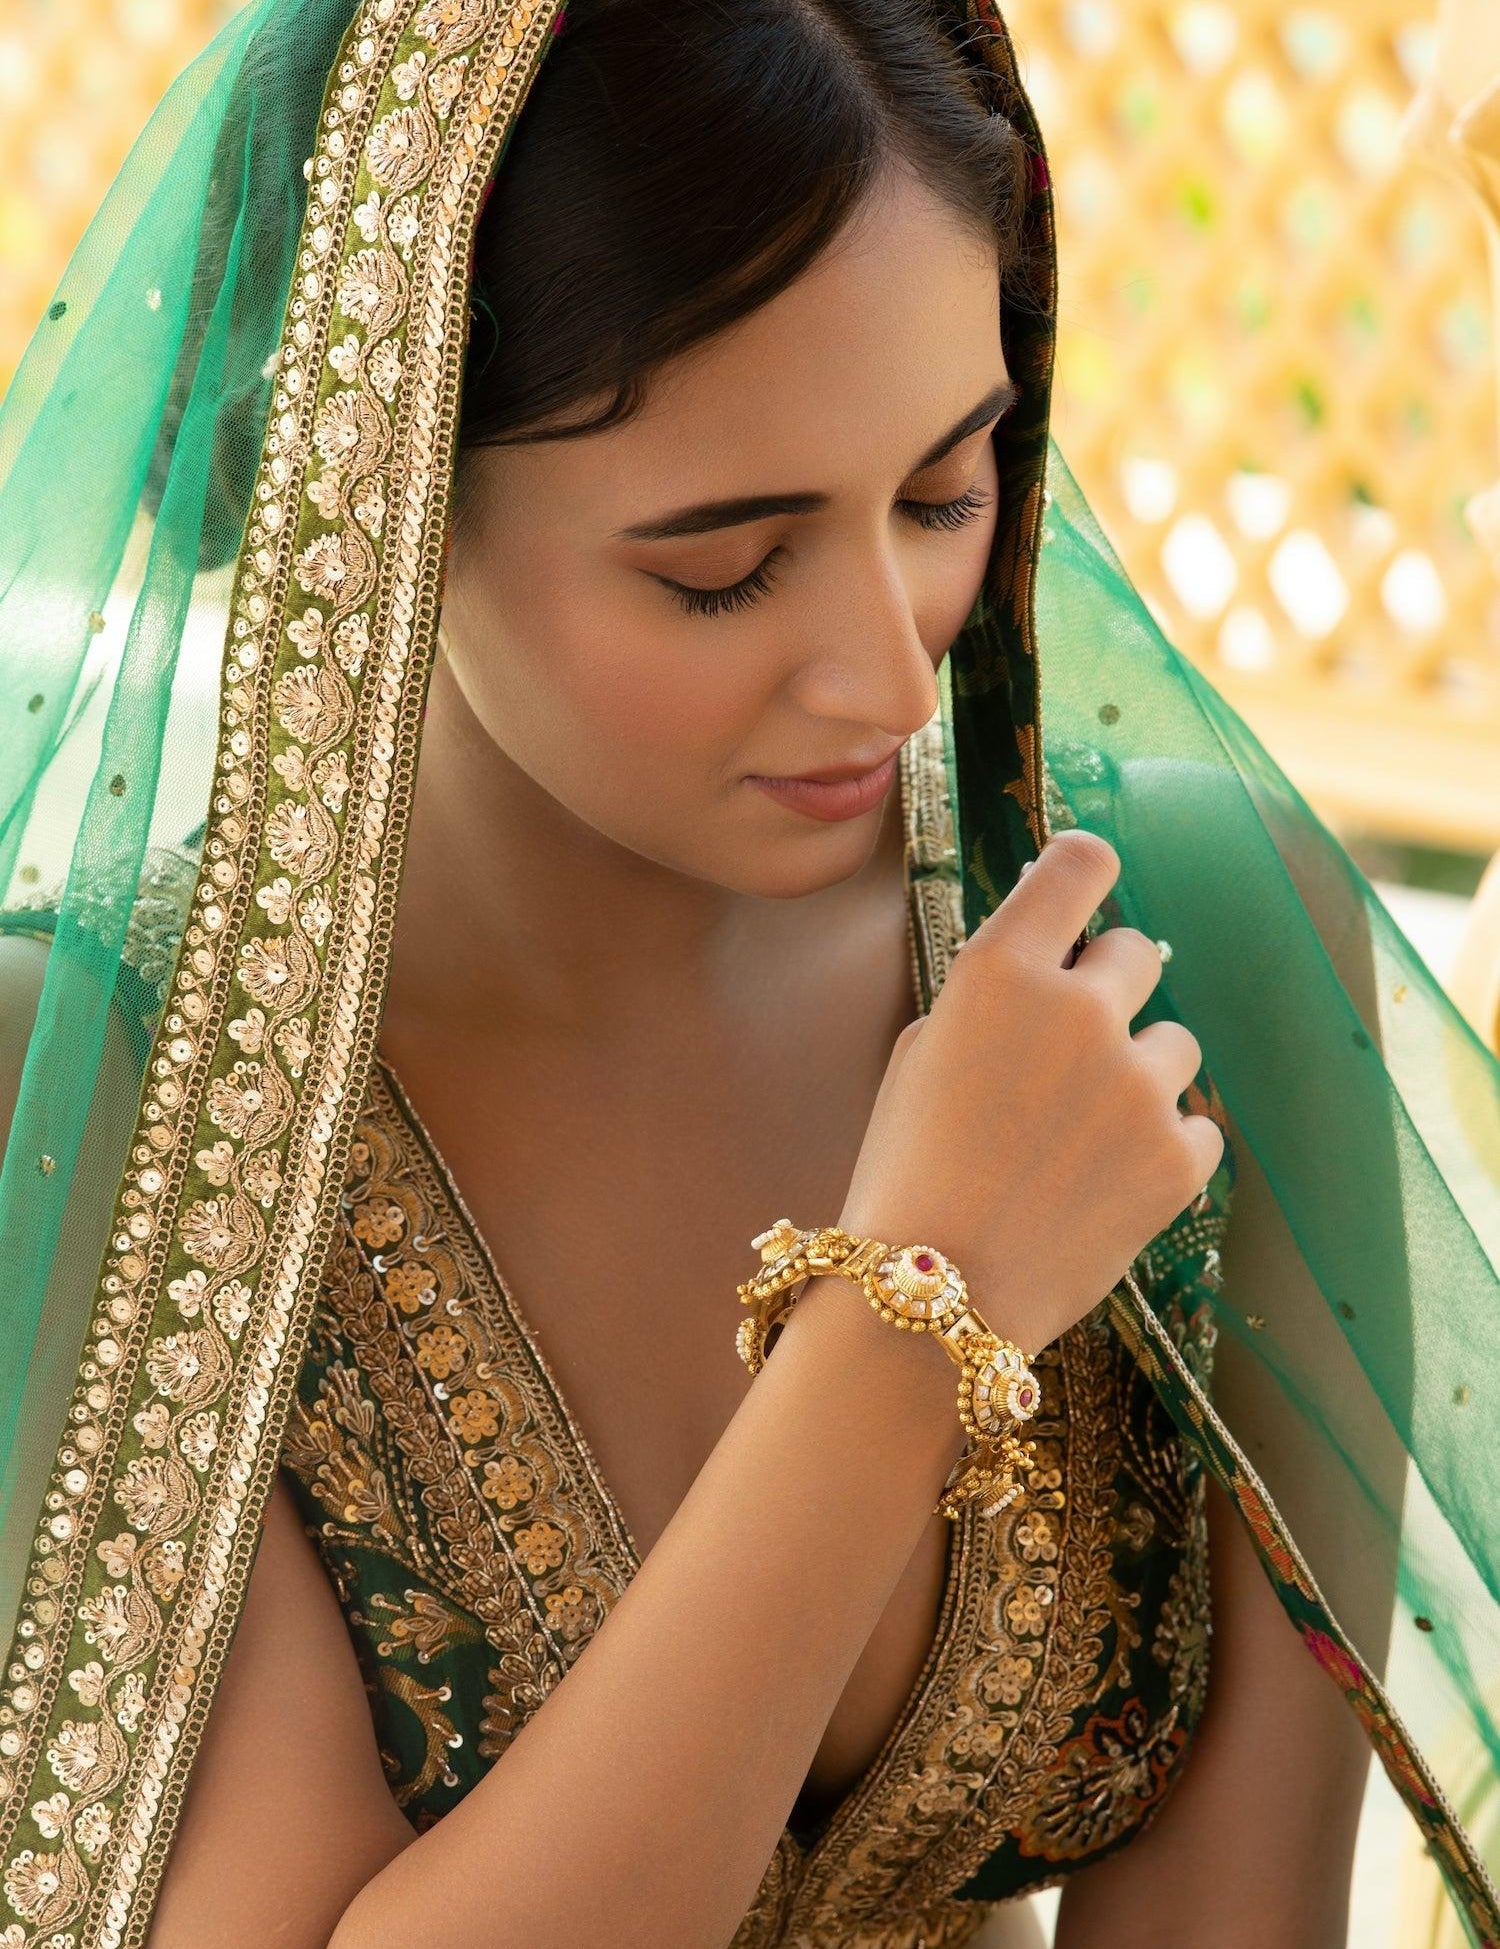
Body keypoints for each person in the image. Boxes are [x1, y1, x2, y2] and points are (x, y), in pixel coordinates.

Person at [0, 4, 1495, 1947]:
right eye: (724, 569)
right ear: (364, 477)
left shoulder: (1163, 932)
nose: (889, 675)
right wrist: (910, 1314)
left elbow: (1239, 1920)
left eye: (946, 495)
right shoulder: (109, 1097)